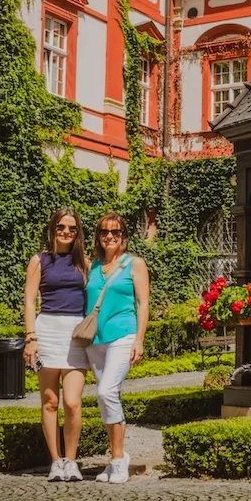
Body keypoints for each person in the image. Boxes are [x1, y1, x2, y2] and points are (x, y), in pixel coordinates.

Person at [23, 207, 90, 482]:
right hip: (47, 330)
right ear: (53, 229)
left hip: (75, 334)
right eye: (61, 227)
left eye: (72, 229)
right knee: (50, 401)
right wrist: (31, 338)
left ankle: (71, 461)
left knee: (73, 403)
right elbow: (29, 301)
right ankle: (55, 461)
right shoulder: (39, 261)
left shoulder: (84, 262)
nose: (66, 232)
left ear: (78, 233)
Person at [85, 212, 150, 484]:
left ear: (124, 236)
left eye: (115, 232)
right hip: (94, 341)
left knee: (106, 391)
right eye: (104, 232)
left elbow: (143, 304)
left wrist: (139, 340)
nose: (109, 236)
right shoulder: (93, 266)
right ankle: (116, 458)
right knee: (106, 399)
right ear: (98, 237)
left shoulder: (134, 264)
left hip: (123, 335)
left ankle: (118, 460)